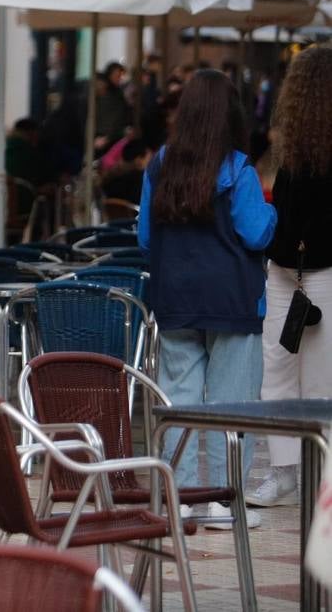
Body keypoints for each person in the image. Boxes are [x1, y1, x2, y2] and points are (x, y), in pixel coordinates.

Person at [139, 70, 275, 526]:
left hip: (174, 298)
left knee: (177, 400)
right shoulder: (239, 169)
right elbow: (256, 233)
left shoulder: (160, 164)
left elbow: (144, 237)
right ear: (229, 115)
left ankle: (175, 496)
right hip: (233, 301)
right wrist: (272, 212)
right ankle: (220, 501)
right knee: (230, 404)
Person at [254, 47, 332, 508]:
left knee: (311, 377)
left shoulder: (303, 151)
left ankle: (318, 475)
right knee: (279, 369)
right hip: (287, 273)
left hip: (313, 273)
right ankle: (286, 471)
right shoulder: (296, 150)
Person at [95, 61, 132, 153]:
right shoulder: (102, 93)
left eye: (120, 76)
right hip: (101, 138)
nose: (119, 79)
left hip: (114, 138)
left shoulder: (119, 93)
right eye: (117, 76)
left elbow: (123, 113)